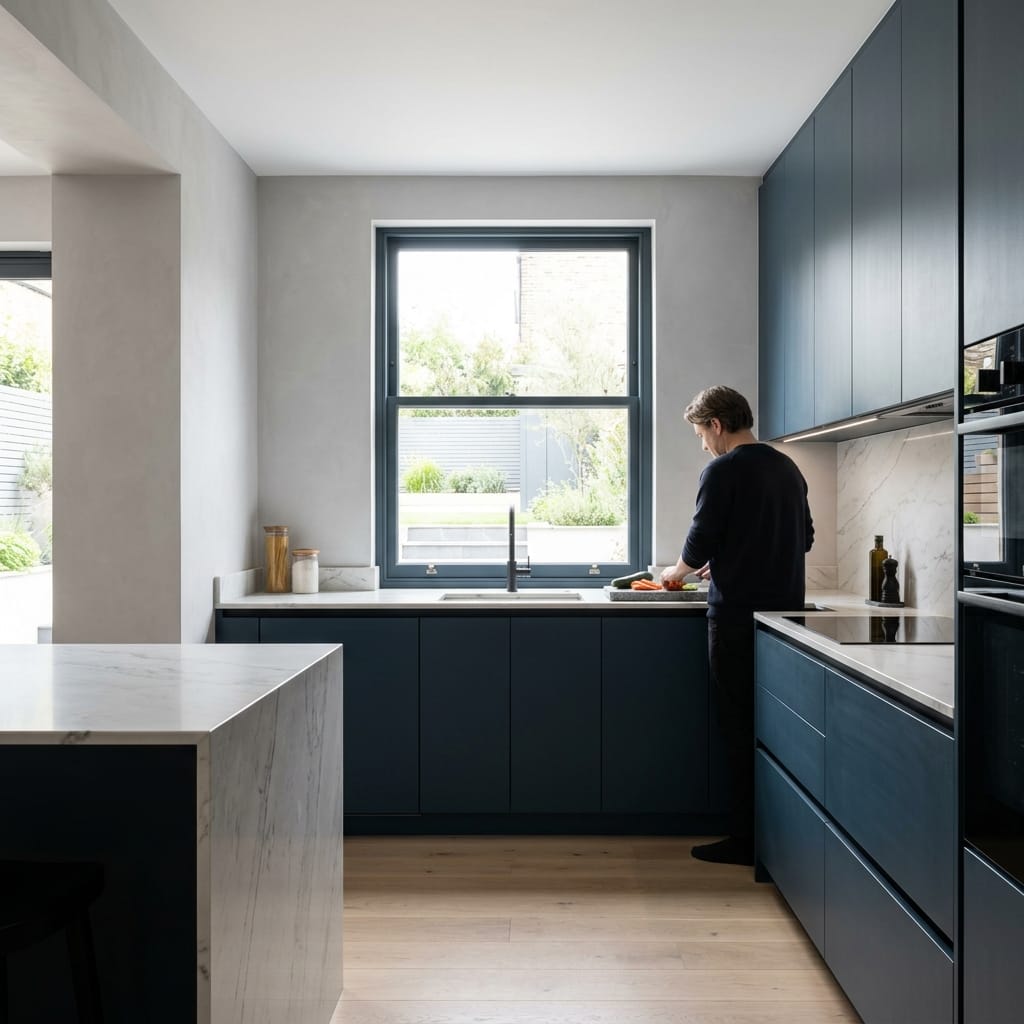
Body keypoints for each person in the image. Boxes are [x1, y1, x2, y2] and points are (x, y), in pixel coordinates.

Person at [662, 385, 814, 866]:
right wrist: (726, 558)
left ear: (717, 426)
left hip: (734, 620)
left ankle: (745, 840)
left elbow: (701, 537)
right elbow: (802, 538)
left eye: (700, 433)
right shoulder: (787, 467)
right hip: (785, 620)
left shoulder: (722, 468)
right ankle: (777, 840)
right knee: (772, 731)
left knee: (736, 727)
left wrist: (677, 573)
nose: (703, 444)